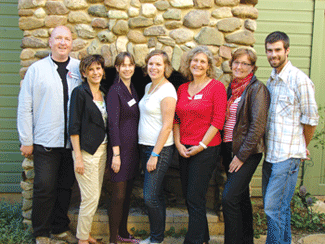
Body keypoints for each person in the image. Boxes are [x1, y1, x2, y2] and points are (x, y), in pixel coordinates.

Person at [17, 26, 82, 244]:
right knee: (44, 187)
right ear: (50, 41)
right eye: (59, 38)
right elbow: (25, 106)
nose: (63, 43)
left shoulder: (78, 68)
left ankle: (59, 229)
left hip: (71, 143)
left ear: (72, 43)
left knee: (65, 188)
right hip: (45, 141)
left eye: (67, 39)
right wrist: (26, 140)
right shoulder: (36, 70)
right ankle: (41, 233)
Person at [263, 31, 319, 243]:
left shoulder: (299, 80)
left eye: (278, 50)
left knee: (271, 208)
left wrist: (302, 145)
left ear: (287, 50)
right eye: (269, 50)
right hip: (271, 155)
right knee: (281, 208)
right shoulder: (273, 79)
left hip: (287, 156)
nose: (273, 54)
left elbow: (311, 120)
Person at [174, 46, 227, 244]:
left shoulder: (216, 87)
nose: (198, 64)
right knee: (190, 198)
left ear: (209, 66)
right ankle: (203, 238)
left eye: (203, 61)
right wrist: (178, 143)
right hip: (184, 147)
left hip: (206, 148)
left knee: (195, 198)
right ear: (189, 64)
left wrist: (201, 146)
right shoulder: (182, 88)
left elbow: (218, 121)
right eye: (195, 60)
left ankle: (193, 241)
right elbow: (176, 119)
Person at [221, 48, 270, 244]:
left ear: (253, 67)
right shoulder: (231, 88)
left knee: (229, 198)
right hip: (228, 147)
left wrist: (241, 156)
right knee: (240, 198)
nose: (239, 67)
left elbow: (258, 126)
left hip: (246, 152)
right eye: (236, 62)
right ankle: (246, 240)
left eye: (245, 63)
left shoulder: (257, 89)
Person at [138, 50, 177, 244]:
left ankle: (155, 239)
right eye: (151, 64)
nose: (154, 67)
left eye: (158, 64)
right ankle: (157, 238)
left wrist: (155, 154)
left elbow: (167, 125)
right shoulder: (148, 87)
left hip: (159, 150)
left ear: (166, 68)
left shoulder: (167, 90)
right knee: (157, 195)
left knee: (150, 196)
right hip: (145, 147)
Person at [69, 55, 107, 244]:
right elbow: (73, 127)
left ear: (103, 71)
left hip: (103, 150)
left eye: (98, 68)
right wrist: (78, 157)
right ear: (84, 73)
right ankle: (82, 239)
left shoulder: (104, 93)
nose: (95, 72)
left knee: (95, 195)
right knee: (90, 197)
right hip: (86, 152)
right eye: (90, 69)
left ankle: (85, 233)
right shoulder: (80, 93)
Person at [106, 52, 140, 244]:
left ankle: (123, 233)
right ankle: (112, 239)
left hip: (133, 150)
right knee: (118, 195)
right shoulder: (115, 90)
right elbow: (113, 124)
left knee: (127, 193)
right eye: (123, 65)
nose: (127, 68)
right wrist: (116, 154)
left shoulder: (132, 88)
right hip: (120, 150)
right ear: (117, 68)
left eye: (130, 65)